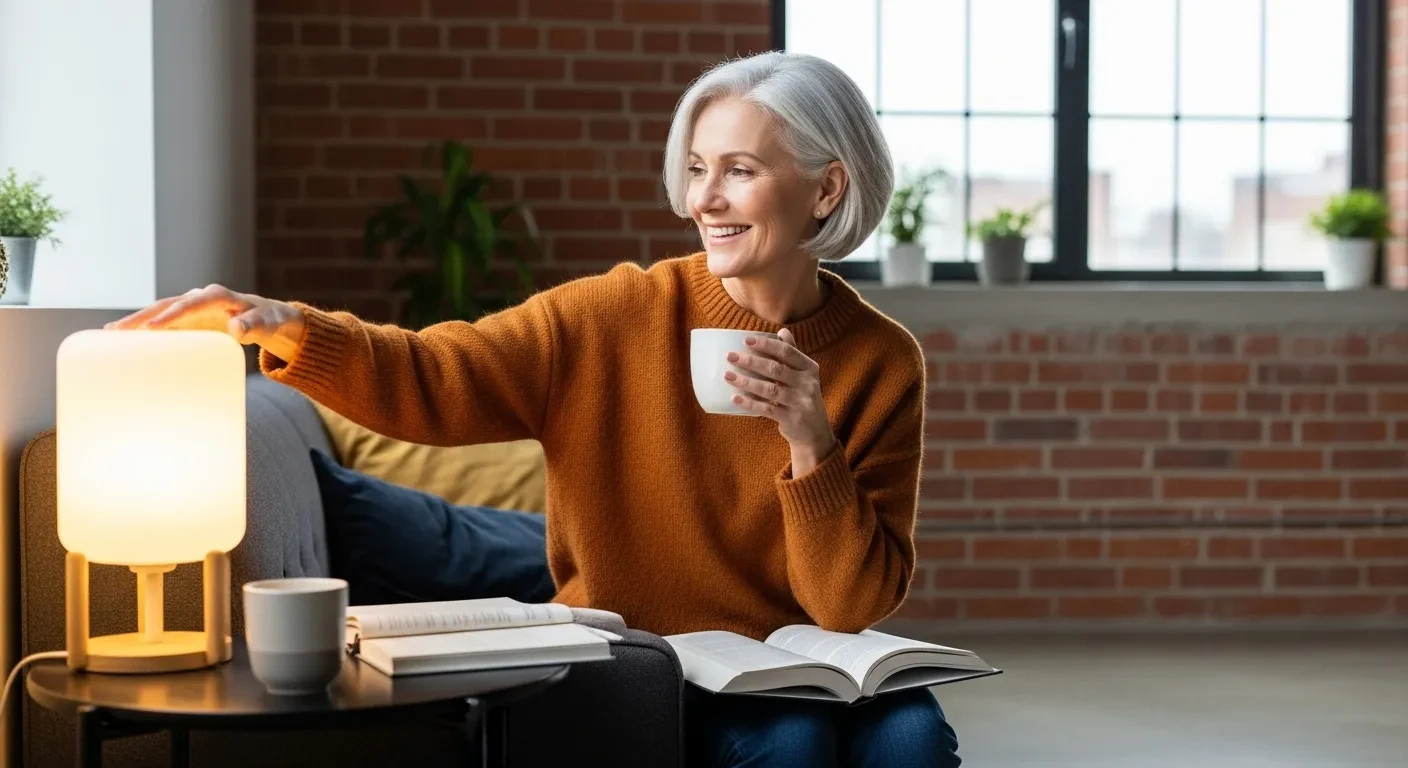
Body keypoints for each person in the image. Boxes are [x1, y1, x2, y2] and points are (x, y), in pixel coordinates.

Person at [111, 51, 960, 767]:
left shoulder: (880, 361)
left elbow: (849, 604)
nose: (704, 199)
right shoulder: (615, 315)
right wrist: (293, 329)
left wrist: (812, 444)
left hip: (799, 661)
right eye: (699, 168)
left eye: (739, 170)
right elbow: (437, 372)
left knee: (912, 736)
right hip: (643, 655)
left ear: (826, 189)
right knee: (792, 742)